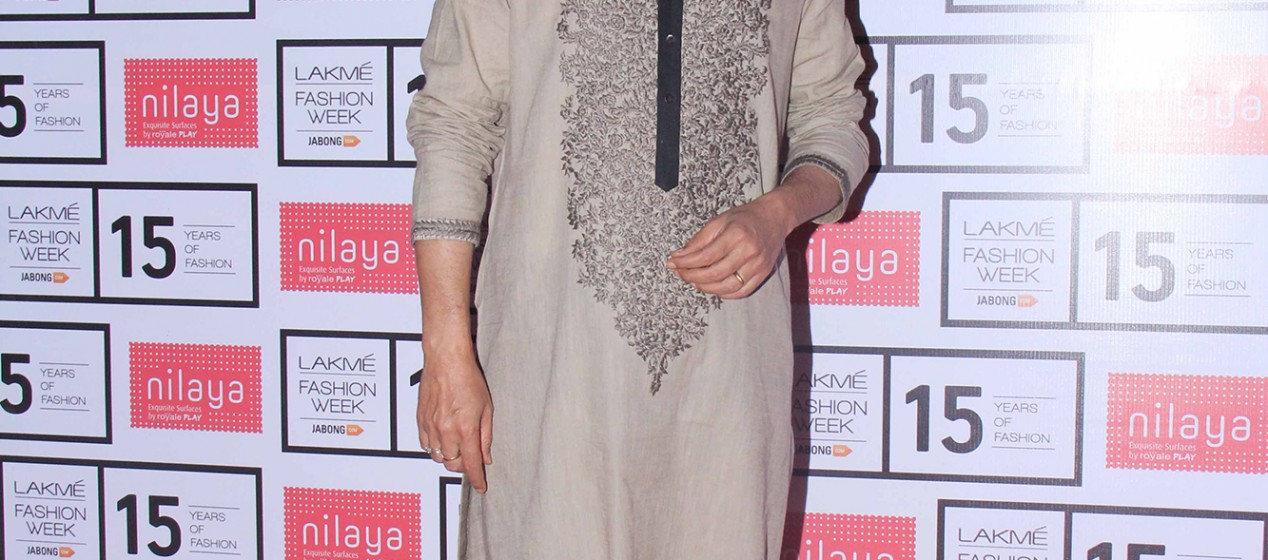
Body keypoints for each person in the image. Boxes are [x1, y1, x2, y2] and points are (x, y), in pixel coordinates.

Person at [407, 0, 869, 556]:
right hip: (549, 374)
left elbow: (832, 119)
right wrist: (446, 352)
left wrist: (778, 212)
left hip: (728, 385)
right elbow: (453, 128)